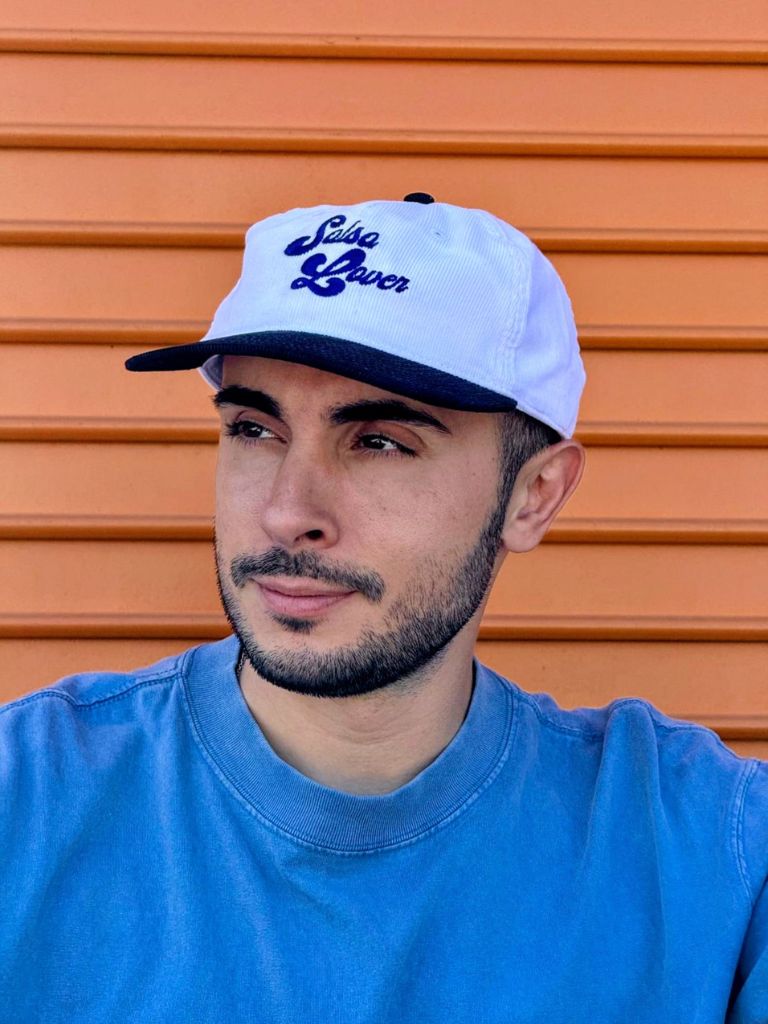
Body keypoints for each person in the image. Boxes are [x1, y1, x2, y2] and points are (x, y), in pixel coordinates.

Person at [1, 194, 765, 1022]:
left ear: (534, 495)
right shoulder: (28, 803)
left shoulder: (702, 852)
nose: (288, 511)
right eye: (255, 430)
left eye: (380, 442)